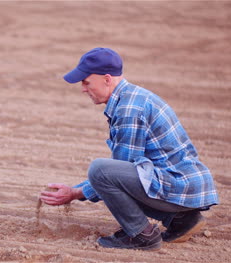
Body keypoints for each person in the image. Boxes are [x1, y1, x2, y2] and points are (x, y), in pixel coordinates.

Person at [39, 47, 219, 251]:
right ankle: (181, 220)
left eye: (86, 82)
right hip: (183, 184)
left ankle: (142, 235)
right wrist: (78, 192)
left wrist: (76, 193)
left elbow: (117, 170)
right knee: (110, 176)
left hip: (179, 184)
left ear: (107, 79)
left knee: (100, 170)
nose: (83, 88)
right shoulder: (132, 97)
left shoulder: (128, 108)